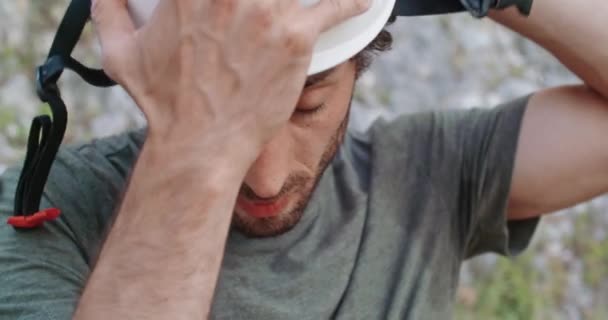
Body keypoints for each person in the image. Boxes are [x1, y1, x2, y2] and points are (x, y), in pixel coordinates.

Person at [0, 0, 607, 318]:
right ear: (141, 71)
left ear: (361, 66)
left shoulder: (429, 176)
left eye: (305, 106)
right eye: (220, 110)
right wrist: (195, 148)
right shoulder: (49, 220)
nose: (264, 175)